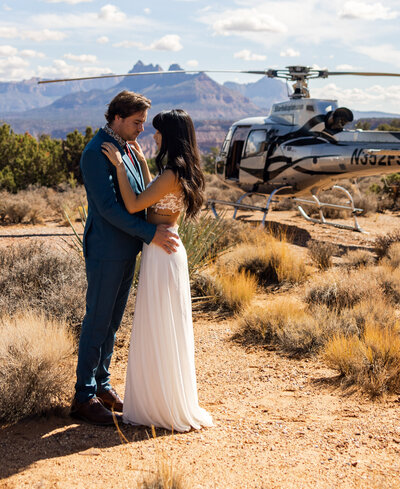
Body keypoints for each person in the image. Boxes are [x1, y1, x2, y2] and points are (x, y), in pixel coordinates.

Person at [101, 109, 213, 432]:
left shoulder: (171, 174)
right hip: (167, 249)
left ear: (170, 136)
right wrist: (145, 164)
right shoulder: (177, 172)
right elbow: (158, 195)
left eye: (158, 131)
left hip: (161, 252)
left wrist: (121, 167)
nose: (153, 136)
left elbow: (137, 204)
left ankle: (158, 407)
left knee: (158, 324)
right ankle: (164, 401)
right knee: (164, 326)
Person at [71, 91, 179, 426]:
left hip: (126, 249)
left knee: (114, 321)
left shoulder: (127, 149)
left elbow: (141, 196)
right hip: (106, 250)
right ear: (117, 117)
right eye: (137, 122)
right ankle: (83, 395)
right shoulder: (96, 152)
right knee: (97, 320)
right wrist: (150, 234)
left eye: (144, 123)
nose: (142, 129)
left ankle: (102, 385)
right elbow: (107, 208)